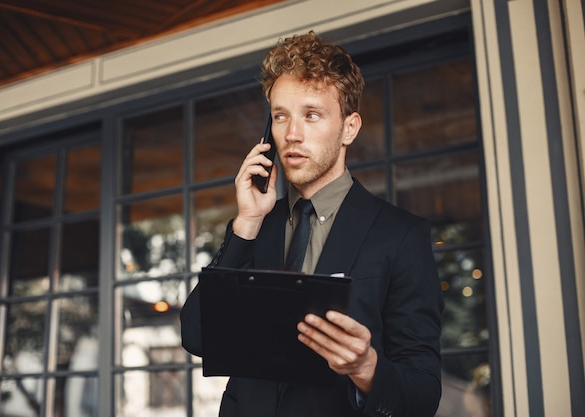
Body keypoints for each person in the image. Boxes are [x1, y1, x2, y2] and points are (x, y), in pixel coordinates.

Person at [180, 31, 443, 417]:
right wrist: (246, 224)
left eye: (312, 115)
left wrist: (365, 367)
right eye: (280, 116)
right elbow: (198, 336)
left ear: (349, 128)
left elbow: (422, 394)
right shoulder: (254, 226)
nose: (292, 134)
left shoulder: (401, 236)